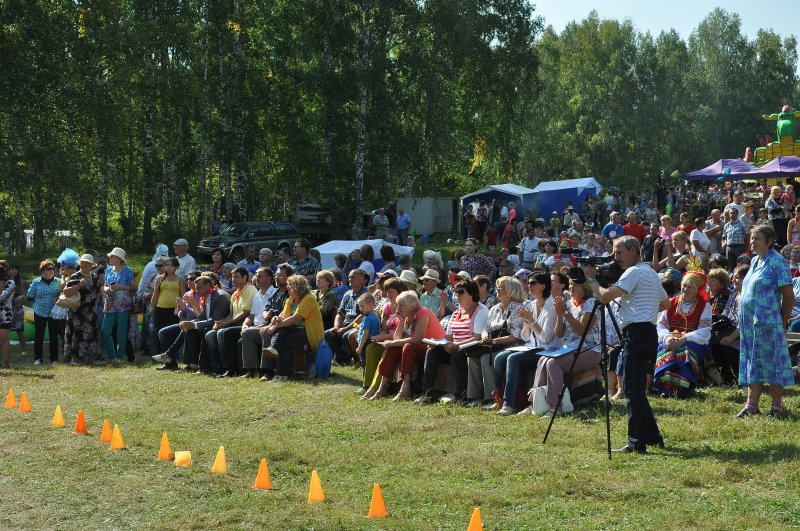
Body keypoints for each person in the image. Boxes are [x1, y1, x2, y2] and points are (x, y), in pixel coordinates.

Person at [587, 236, 669, 454]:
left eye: (619, 252)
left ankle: (636, 442)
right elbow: (665, 302)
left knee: (632, 391)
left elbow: (604, 298)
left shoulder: (633, 272)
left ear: (634, 251)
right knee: (636, 390)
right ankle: (653, 437)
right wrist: (645, 310)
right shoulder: (650, 272)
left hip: (637, 332)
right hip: (647, 332)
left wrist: (592, 280)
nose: (616, 258)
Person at [736, 225, 795, 420]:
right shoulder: (754, 261)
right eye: (751, 238)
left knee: (774, 363)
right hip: (750, 324)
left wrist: (783, 322)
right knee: (754, 361)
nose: (752, 241)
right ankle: (751, 405)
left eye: (757, 238)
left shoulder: (777, 262)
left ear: (769, 241)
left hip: (769, 323)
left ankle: (776, 407)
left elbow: (788, 297)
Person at [531, 275, 602, 417]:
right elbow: (559, 333)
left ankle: (555, 406)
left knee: (553, 363)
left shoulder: (591, 303)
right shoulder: (568, 304)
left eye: (575, 285)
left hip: (590, 349)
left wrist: (565, 312)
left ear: (585, 287)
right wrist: (559, 315)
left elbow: (582, 330)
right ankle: (536, 402)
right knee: (542, 360)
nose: (571, 287)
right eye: (570, 284)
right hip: (569, 349)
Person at [492, 270, 559, 414]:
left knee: (513, 359)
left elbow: (546, 338)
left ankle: (509, 404)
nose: (529, 286)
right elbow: (526, 336)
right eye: (528, 283)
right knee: (499, 358)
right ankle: (499, 398)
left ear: (543, 285)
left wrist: (532, 320)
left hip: (547, 349)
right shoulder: (531, 305)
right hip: (531, 346)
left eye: (533, 283)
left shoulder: (552, 306)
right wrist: (527, 323)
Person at [415, 279, 488, 405]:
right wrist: (437, 342)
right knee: (431, 352)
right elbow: (449, 336)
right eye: (455, 292)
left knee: (457, 353)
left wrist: (455, 345)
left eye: (460, 292)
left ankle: (461, 395)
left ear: (471, 293)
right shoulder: (456, 313)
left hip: (471, 348)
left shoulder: (481, 310)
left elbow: (477, 337)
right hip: (454, 347)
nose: (457, 295)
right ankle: (426, 393)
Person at [371, 291, 446, 400]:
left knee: (407, 346)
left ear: (411, 307)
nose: (398, 308)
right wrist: (401, 320)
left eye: (401, 305)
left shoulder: (422, 313)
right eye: (397, 305)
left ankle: (405, 388)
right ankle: (382, 388)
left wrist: (392, 342)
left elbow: (418, 339)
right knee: (393, 350)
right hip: (419, 347)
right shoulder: (406, 316)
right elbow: (397, 339)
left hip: (434, 348)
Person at [466, 276, 527, 407]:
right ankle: (475, 397)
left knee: (485, 358)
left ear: (512, 291)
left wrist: (493, 341)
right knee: (472, 357)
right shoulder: (495, 308)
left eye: (502, 287)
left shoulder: (518, 309)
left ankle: (492, 398)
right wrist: (485, 336)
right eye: (498, 286)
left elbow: (515, 337)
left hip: (512, 346)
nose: (498, 289)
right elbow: (486, 328)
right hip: (493, 344)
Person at [153, 275, 231, 373]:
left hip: (220, 325)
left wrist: (193, 324)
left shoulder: (220, 296)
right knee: (171, 331)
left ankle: (203, 367)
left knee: (202, 330)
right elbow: (202, 317)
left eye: (199, 287)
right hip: (207, 324)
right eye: (196, 287)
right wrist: (190, 322)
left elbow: (215, 320)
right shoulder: (207, 295)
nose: (197, 290)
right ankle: (191, 365)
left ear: (207, 286)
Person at [653, 272, 712, 398]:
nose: (685, 289)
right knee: (665, 348)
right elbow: (661, 324)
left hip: (694, 341)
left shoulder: (704, 306)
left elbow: (705, 330)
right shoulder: (671, 302)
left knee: (686, 351)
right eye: (684, 285)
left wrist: (685, 338)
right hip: (671, 339)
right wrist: (667, 337)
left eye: (690, 287)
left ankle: (684, 389)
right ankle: (666, 388)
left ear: (697, 289)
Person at [262, 275, 324, 382]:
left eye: (290, 285)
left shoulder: (308, 298)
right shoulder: (290, 300)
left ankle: (281, 372)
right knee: (284, 335)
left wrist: (275, 326)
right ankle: (282, 373)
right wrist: (277, 318)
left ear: (298, 286)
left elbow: (295, 318)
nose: (287, 288)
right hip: (295, 331)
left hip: (308, 333)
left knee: (283, 337)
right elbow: (285, 317)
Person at [360, 277, 407, 397]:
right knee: (371, 348)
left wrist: (384, 337)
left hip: (400, 341)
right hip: (387, 339)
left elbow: (401, 333)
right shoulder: (387, 306)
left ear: (400, 291)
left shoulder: (405, 307)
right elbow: (384, 327)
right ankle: (367, 384)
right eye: (387, 290)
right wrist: (379, 337)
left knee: (386, 352)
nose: (388, 293)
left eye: (391, 291)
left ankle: (376, 388)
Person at [207, 266, 256, 377]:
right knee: (210, 334)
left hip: (245, 324)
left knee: (224, 333)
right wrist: (220, 322)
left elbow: (245, 312)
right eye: (233, 277)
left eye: (237, 277)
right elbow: (231, 313)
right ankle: (218, 366)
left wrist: (227, 324)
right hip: (234, 323)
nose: (234, 279)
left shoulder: (249, 290)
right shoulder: (235, 293)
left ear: (245, 277)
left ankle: (232, 368)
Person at [62, 254, 103, 364]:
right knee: (78, 334)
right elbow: (66, 292)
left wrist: (95, 303)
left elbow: (98, 290)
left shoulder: (94, 277)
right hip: (77, 312)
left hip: (91, 312)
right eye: (82, 263)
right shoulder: (75, 276)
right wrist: (79, 285)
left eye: (87, 263)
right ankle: (75, 358)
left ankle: (91, 357)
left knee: (92, 334)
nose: (84, 264)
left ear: (91, 266)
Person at [235, 267, 276, 378]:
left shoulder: (275, 294)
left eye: (259, 276)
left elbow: (275, 315)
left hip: (270, 326)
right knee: (245, 332)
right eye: (256, 275)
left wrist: (266, 325)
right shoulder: (257, 295)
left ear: (269, 279)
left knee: (259, 333)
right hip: (256, 327)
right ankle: (251, 370)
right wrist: (245, 324)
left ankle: (267, 371)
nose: (255, 278)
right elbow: (251, 316)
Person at [324, 268, 369, 363]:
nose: (350, 279)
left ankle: (357, 359)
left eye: (353, 277)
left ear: (362, 279)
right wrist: (336, 327)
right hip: (346, 324)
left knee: (345, 335)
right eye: (349, 277)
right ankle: (343, 359)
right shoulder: (347, 294)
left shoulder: (367, 294)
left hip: (359, 325)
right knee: (329, 333)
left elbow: (362, 316)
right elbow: (340, 313)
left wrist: (345, 329)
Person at [101, 248, 136, 364]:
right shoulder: (108, 270)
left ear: (120, 259)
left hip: (123, 303)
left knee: (121, 332)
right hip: (110, 303)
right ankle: (112, 356)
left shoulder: (127, 271)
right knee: (105, 330)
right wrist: (107, 289)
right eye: (110, 256)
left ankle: (119, 357)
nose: (110, 258)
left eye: (113, 257)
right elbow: (105, 285)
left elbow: (134, 288)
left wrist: (121, 287)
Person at [714, 265, 747, 385]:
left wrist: (730, 337)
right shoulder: (733, 296)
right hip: (730, 332)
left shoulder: (749, 298)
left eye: (737, 277)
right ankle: (726, 378)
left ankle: (742, 378)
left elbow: (745, 323)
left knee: (728, 345)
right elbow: (725, 316)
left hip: (744, 337)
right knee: (713, 343)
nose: (733, 279)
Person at [25, 260, 62, 365]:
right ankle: (37, 358)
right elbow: (29, 297)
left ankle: (54, 359)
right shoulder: (36, 282)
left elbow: (63, 295)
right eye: (48, 269)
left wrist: (59, 297)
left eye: (52, 269)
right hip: (39, 312)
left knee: (53, 336)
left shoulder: (59, 282)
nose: (51, 271)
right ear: (42, 271)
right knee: (39, 336)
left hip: (54, 313)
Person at [150, 257, 187, 352]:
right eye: (167, 265)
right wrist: (152, 306)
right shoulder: (160, 278)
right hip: (160, 308)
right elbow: (156, 293)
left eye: (172, 265)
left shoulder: (181, 280)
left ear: (177, 267)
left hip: (174, 310)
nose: (169, 267)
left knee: (172, 332)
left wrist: (183, 309)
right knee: (158, 330)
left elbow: (183, 295)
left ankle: (172, 353)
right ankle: (158, 353)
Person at [353, 292, 380, 370]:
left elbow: (365, 333)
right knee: (370, 363)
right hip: (371, 343)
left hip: (365, 344)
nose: (360, 309)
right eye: (359, 306)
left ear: (371, 305)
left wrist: (360, 348)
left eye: (362, 306)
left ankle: (366, 381)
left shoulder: (367, 318)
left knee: (365, 364)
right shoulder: (375, 316)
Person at [7, 264, 25, 355]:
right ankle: (6, 349)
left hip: (17, 307)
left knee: (20, 329)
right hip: (6, 308)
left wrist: (20, 298)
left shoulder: (20, 281)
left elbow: (22, 294)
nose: (14, 271)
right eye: (12, 269)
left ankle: (23, 350)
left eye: (16, 269)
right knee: (4, 329)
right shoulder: (5, 280)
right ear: (8, 270)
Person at [0, 261, 14, 368]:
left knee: (4, 338)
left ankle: (5, 363)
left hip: (5, 313)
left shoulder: (10, 282)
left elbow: (2, 297)